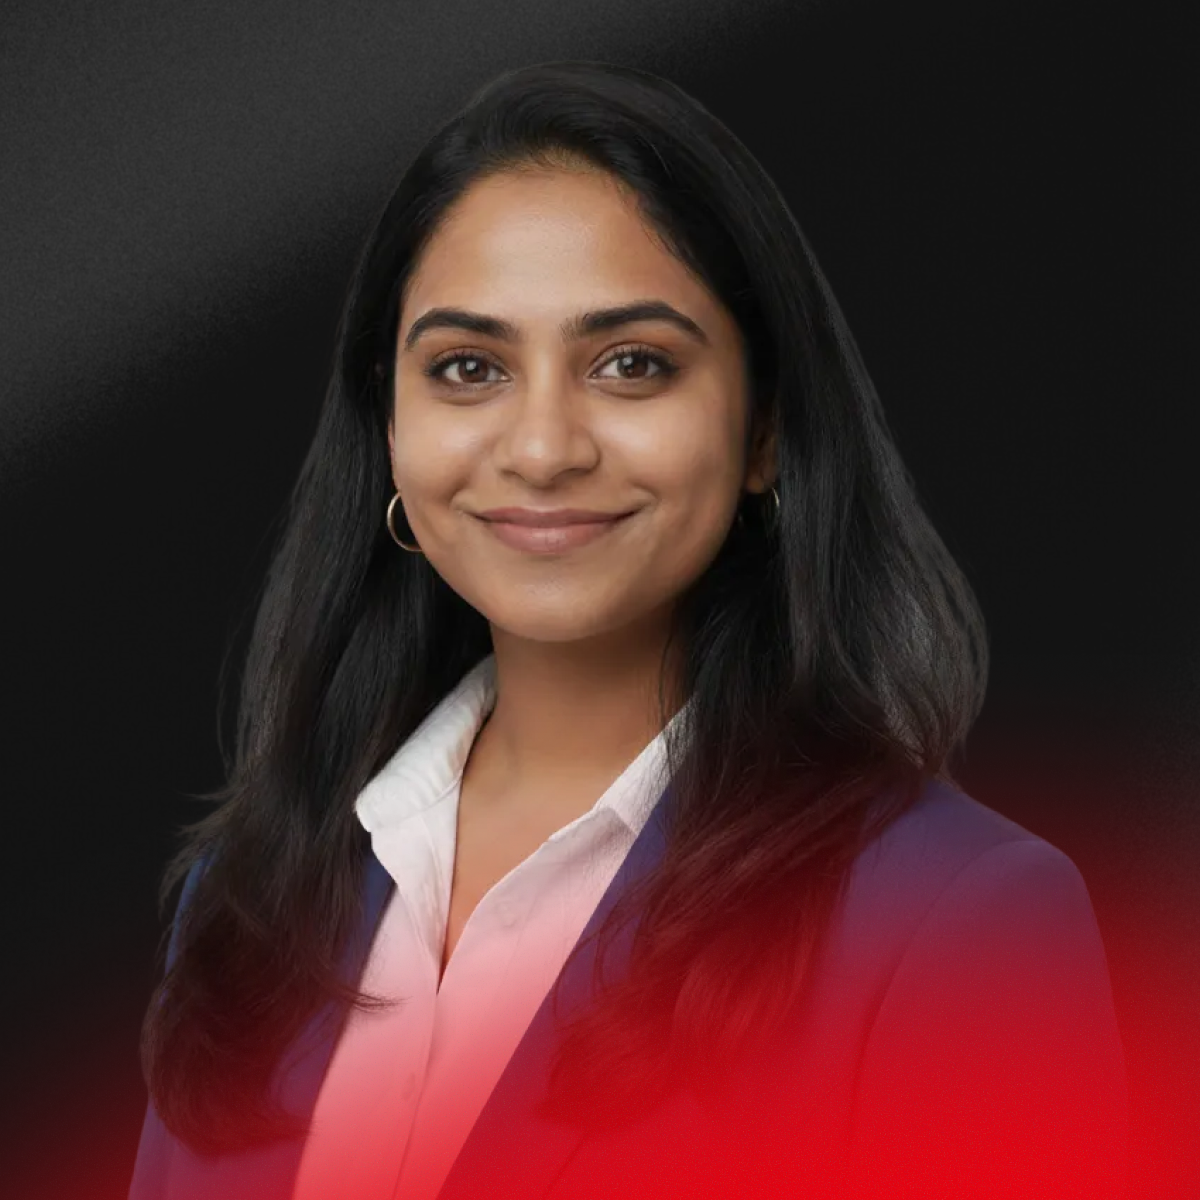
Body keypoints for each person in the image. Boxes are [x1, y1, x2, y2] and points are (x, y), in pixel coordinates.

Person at [128, 60, 1128, 1200]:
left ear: (763, 432)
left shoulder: (958, 923)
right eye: (469, 368)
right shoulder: (248, 904)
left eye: (632, 364)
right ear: (390, 426)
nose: (545, 448)